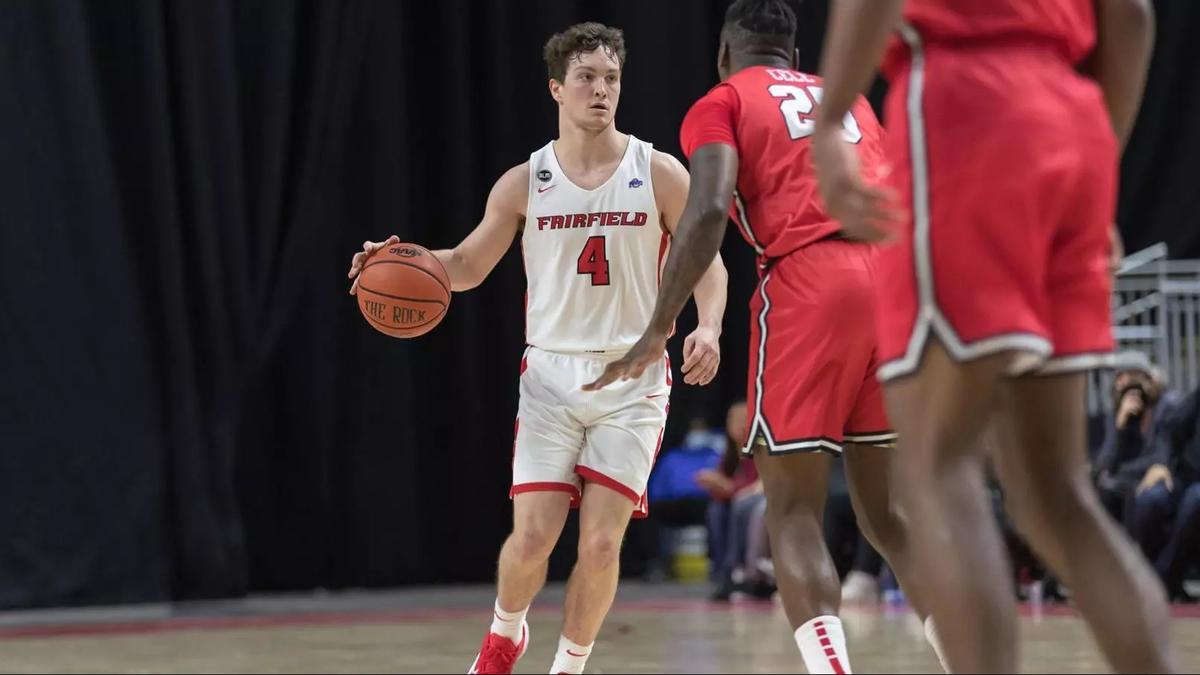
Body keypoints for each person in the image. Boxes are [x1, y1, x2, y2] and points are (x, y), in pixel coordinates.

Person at [347, 22, 728, 675]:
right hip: (550, 372)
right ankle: (504, 635)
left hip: (631, 377)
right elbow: (464, 264)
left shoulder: (657, 171)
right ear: (557, 87)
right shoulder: (527, 180)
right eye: (586, 77)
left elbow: (708, 261)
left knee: (603, 542)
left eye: (611, 78)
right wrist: (395, 260)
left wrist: (709, 325)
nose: (601, 90)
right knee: (531, 539)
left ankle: (568, 665)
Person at [811, 0, 1173, 671]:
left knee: (934, 465)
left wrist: (831, 118)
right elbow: (1132, 17)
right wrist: (1087, 161)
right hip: (1075, 120)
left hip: (965, 106)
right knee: (1054, 494)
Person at [585, 2, 937, 671]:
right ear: (795, 59)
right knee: (888, 516)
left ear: (724, 54)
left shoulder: (720, 101)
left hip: (812, 280)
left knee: (793, 511)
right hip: (894, 282)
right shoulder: (853, 101)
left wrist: (660, 325)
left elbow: (710, 206)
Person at [1130, 384, 1200, 601]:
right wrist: (1160, 463)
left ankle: (1158, 584)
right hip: (1185, 476)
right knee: (1150, 499)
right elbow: (1169, 430)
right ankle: (1166, 583)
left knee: (1196, 499)